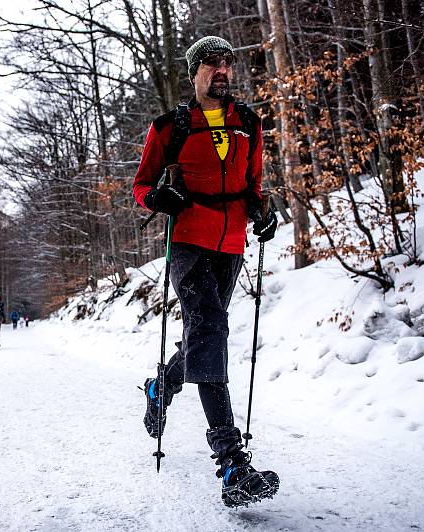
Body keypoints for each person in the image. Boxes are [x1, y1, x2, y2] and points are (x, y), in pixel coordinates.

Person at [133, 35, 280, 507]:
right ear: (194, 72)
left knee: (203, 334)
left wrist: (262, 211)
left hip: (231, 244)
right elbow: (141, 185)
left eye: (227, 64)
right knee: (211, 328)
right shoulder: (169, 127)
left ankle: (163, 385)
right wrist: (158, 198)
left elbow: (253, 185)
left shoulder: (249, 125)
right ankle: (232, 463)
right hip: (188, 244)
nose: (222, 70)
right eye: (212, 64)